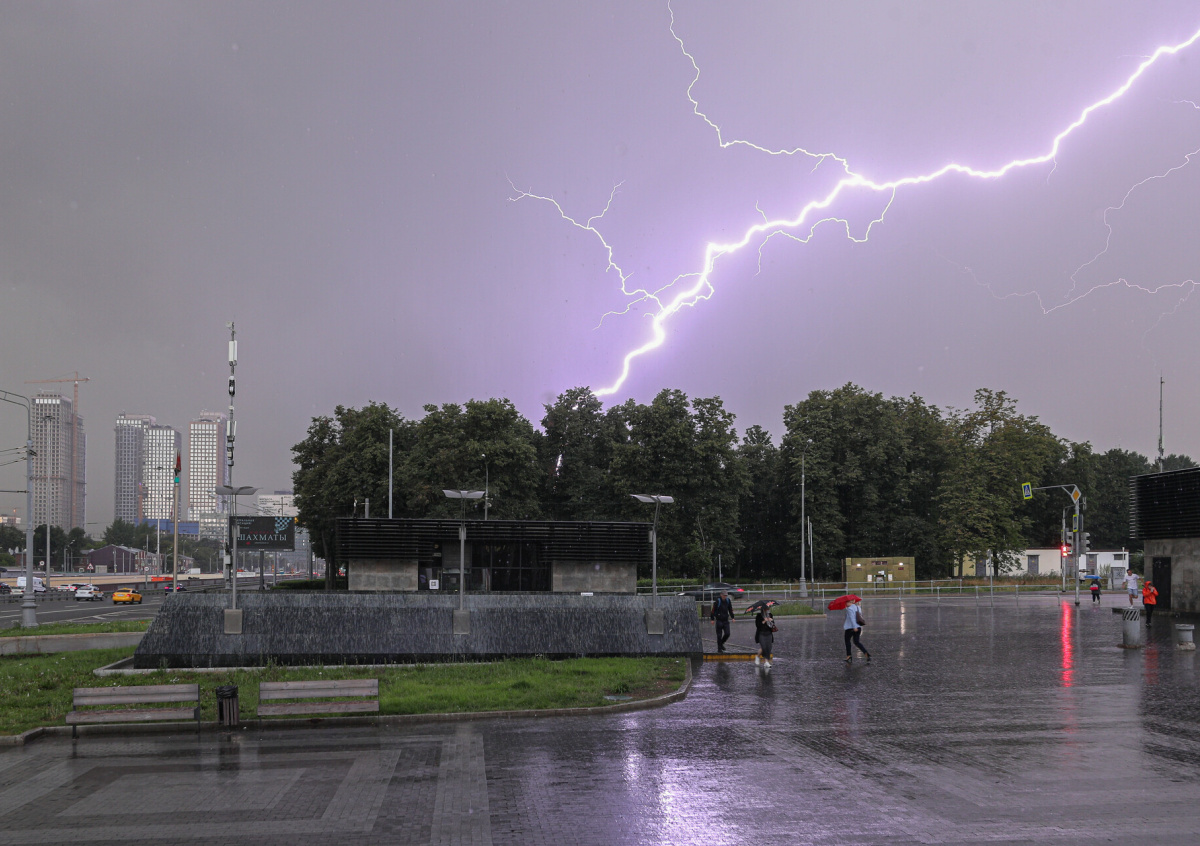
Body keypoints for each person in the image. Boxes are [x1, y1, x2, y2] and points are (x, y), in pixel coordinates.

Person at [843, 598, 871, 663]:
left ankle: (849, 656)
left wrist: (854, 627)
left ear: (850, 602)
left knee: (847, 641)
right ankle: (866, 653)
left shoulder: (849, 609)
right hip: (858, 627)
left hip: (851, 628)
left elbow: (852, 618)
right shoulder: (858, 607)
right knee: (856, 642)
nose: (845, 604)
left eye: (846, 602)